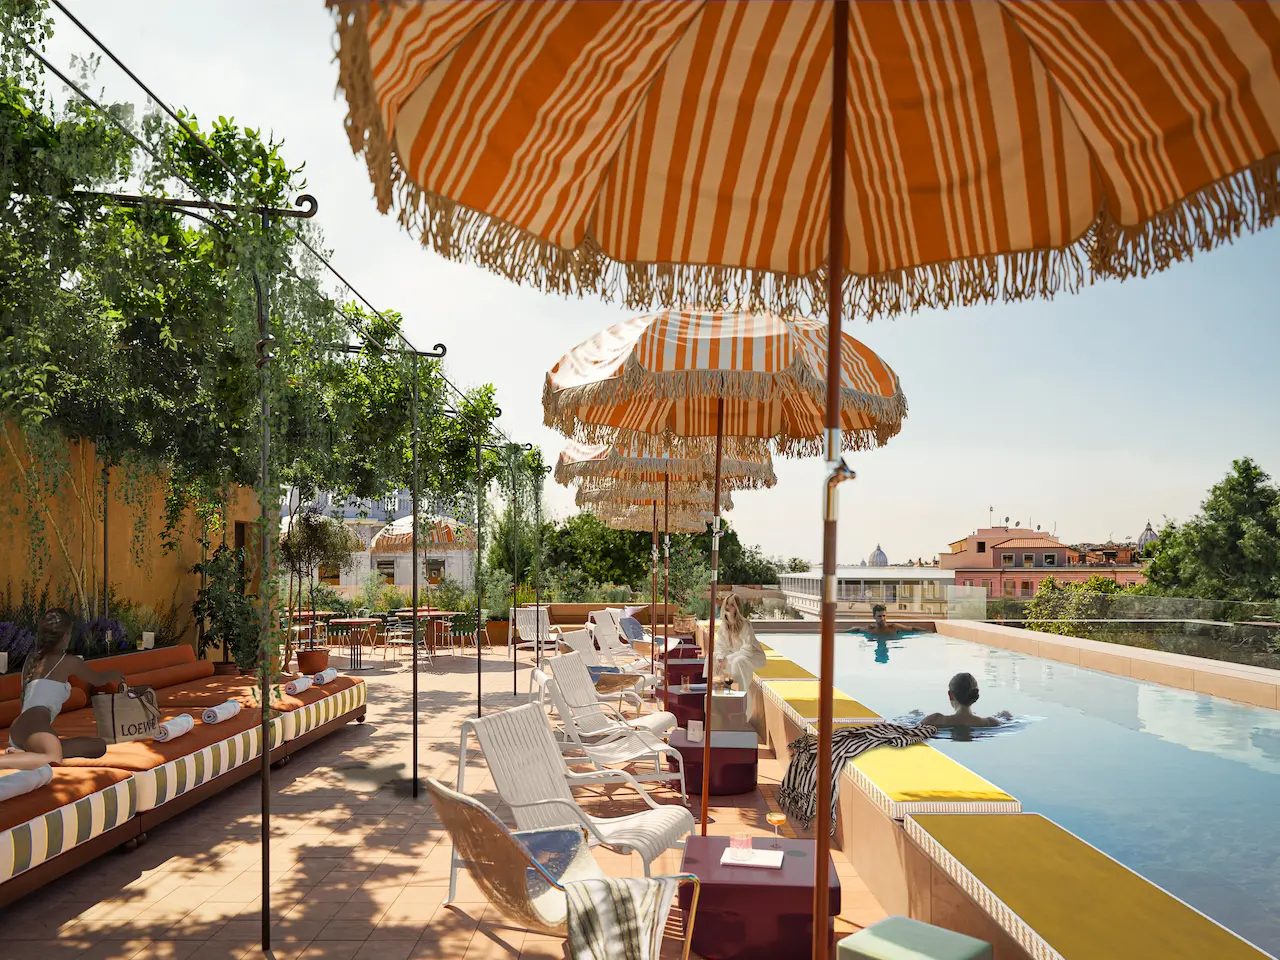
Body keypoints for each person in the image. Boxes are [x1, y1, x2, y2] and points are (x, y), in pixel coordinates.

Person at [0, 609, 126, 771]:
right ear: (66, 635)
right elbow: (98, 679)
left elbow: (23, 698)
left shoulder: (32, 659)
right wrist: (115, 674)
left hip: (21, 729)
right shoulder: (69, 662)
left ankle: (25, 753)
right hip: (35, 728)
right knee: (53, 758)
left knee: (99, 746)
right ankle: (18, 757)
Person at [713, 594, 767, 714]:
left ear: (737, 608)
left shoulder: (745, 625)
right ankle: (715, 697)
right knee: (712, 659)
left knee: (737, 662)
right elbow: (719, 646)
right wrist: (721, 658)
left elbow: (747, 650)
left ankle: (742, 705)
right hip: (736, 656)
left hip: (753, 657)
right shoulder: (723, 626)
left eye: (732, 604)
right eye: (727, 603)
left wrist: (728, 659)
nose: (728, 606)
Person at [921, 672, 1012, 729]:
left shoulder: (935, 720)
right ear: (975, 695)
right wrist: (1006, 718)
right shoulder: (991, 722)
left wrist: (916, 714)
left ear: (950, 695)